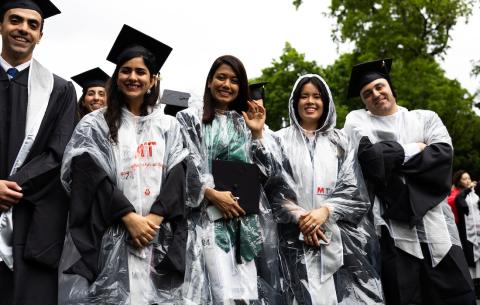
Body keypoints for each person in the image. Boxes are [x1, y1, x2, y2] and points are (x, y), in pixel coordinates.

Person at [59, 24, 188, 305]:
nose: (133, 77)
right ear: (116, 78)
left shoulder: (168, 126)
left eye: (141, 72)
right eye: (125, 71)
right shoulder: (95, 124)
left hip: (157, 235)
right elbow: (88, 177)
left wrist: (153, 220)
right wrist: (128, 217)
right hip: (111, 233)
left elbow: (178, 177)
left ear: (153, 79)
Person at [343, 58, 475, 305]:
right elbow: (371, 161)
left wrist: (391, 159)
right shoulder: (359, 121)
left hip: (438, 230)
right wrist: (416, 148)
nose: (375, 94)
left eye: (379, 87)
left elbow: (442, 158)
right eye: (367, 93)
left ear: (391, 87)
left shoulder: (425, 118)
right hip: (394, 237)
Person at [260, 74, 383, 305]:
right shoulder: (278, 140)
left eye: (317, 96)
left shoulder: (341, 141)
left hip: (338, 238)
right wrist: (302, 218)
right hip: (294, 240)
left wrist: (325, 211)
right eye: (304, 96)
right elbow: (273, 190)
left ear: (326, 102)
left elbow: (353, 189)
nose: (310, 101)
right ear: (295, 102)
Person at [176, 55, 280, 305]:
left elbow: (267, 174)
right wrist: (210, 193)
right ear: (210, 81)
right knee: (211, 292)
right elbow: (182, 165)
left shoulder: (244, 123)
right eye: (221, 77)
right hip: (204, 221)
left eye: (234, 80)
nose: (227, 84)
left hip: (242, 223)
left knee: (242, 294)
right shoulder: (189, 119)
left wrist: (257, 134)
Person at [0, 1, 77, 304]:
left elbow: (59, 152)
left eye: (33, 25)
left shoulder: (59, 90)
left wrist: (11, 188)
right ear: (2, 26)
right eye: (15, 20)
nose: (23, 29)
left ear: (41, 35)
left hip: (30, 221)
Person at [449, 170, 480, 296]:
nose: (467, 181)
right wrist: (468, 190)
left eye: (469, 178)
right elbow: (458, 202)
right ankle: (474, 287)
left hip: (478, 231)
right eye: (464, 179)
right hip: (466, 232)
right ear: (458, 181)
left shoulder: (474, 194)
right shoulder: (458, 194)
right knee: (470, 258)